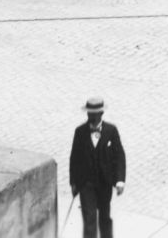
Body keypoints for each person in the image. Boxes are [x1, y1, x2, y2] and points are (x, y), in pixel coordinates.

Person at [69, 97, 127, 238]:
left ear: (101, 114)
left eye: (95, 114)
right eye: (89, 114)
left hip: (104, 183)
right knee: (89, 220)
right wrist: (74, 183)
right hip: (86, 184)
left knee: (105, 218)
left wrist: (120, 180)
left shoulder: (111, 131)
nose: (92, 117)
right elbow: (74, 159)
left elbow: (119, 156)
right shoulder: (80, 132)